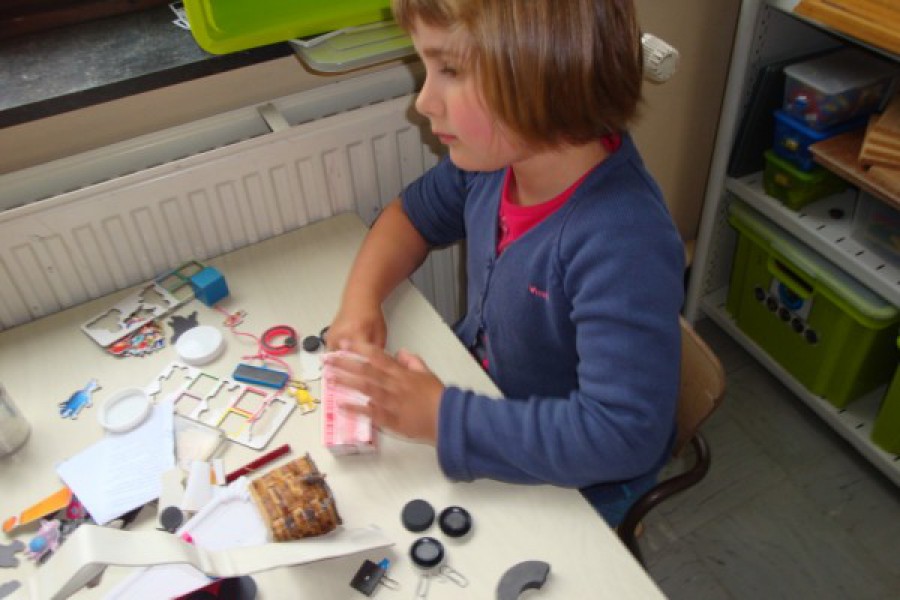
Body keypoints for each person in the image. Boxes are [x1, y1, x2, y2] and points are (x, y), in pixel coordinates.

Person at [324, 0, 685, 527]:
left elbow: (621, 436)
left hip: (582, 482)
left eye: (448, 69)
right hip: (488, 401)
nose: (423, 101)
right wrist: (360, 303)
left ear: (543, 75)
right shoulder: (493, 162)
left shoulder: (623, 240)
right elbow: (411, 216)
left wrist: (444, 419)